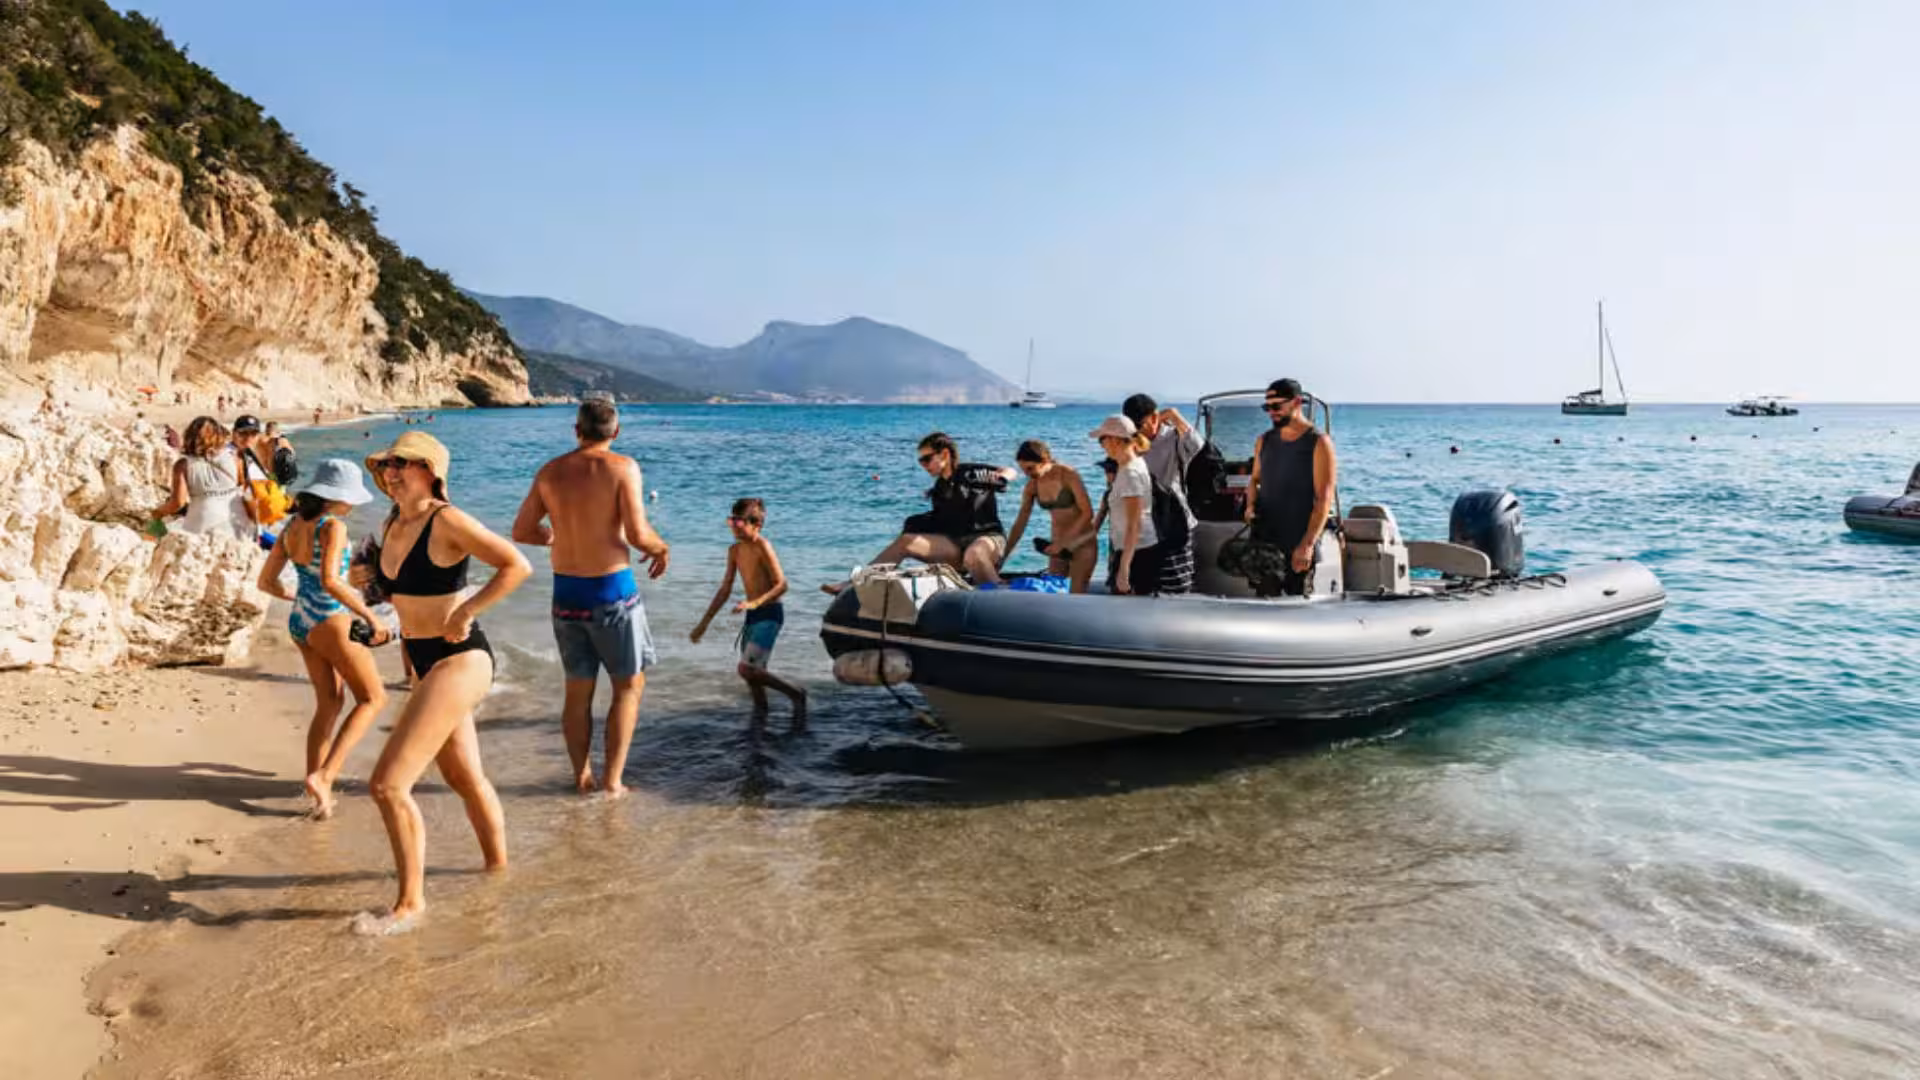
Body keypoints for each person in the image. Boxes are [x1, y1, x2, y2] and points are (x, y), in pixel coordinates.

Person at [351, 431, 530, 935]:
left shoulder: (446, 519)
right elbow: (390, 596)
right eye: (387, 462)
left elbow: (517, 565)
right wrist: (376, 622)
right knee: (464, 778)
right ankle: (499, 874)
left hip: (462, 658)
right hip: (425, 661)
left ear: (431, 471)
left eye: (403, 462)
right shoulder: (390, 524)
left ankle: (410, 905)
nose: (391, 470)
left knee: (387, 785)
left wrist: (469, 609)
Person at [510, 400, 669, 798]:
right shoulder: (623, 467)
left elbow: (523, 530)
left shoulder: (550, 472)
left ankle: (581, 778)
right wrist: (662, 548)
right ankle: (612, 782)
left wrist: (556, 535)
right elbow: (636, 533)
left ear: (575, 429)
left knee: (577, 692)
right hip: (611, 593)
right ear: (615, 433)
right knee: (628, 688)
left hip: (566, 596)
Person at [254, 459, 391, 819]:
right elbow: (331, 580)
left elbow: (265, 582)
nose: (353, 504)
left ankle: (316, 791)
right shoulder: (333, 526)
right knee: (373, 698)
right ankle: (326, 776)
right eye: (350, 497)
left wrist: (300, 599)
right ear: (336, 497)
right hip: (330, 618)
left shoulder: (292, 526)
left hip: (300, 619)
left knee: (329, 703)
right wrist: (371, 615)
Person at [821, 433, 1015, 593]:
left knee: (975, 553)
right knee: (906, 541)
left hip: (988, 540)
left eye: (927, 459)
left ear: (945, 455)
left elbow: (1009, 470)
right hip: (957, 546)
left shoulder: (969, 472)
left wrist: (1001, 479)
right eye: (920, 461)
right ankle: (856, 583)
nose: (924, 465)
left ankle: (999, 593)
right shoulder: (939, 489)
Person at [689, 498, 808, 731]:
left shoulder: (763, 546)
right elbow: (725, 590)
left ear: (756, 525)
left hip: (770, 614)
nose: (733, 525)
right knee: (752, 678)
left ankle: (796, 694)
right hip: (751, 617)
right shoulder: (734, 551)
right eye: (730, 520)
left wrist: (755, 603)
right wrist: (703, 624)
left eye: (738, 522)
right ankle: (759, 726)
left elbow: (782, 584)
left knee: (747, 669)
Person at [1245, 378, 1338, 597]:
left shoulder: (1318, 442)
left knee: (1298, 609)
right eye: (1267, 407)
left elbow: (1324, 499)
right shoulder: (1263, 440)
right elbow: (1254, 479)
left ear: (1296, 402)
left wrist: (1307, 545)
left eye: (1277, 406)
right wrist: (1249, 505)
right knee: (1264, 605)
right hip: (1265, 542)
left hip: (1298, 542)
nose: (1271, 413)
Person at [1121, 394, 1203, 593]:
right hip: (1141, 524)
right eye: (1132, 427)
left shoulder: (1173, 437)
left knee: (1176, 583)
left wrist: (1175, 416)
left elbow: (1197, 446)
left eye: (1140, 425)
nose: (1137, 431)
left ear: (1154, 417)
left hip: (1173, 522)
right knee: (1140, 582)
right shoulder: (1130, 443)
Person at [1001, 440, 1098, 593]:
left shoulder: (1068, 476)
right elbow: (1020, 524)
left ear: (1044, 460)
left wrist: (1065, 542)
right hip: (1056, 547)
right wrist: (1003, 556)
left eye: (1030, 468)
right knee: (1055, 594)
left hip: (1081, 542)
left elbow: (1087, 513)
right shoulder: (1032, 486)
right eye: (1023, 470)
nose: (1027, 474)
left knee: (1076, 596)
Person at [1085, 415, 1164, 595]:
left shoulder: (1130, 473)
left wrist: (1124, 569)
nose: (1102, 446)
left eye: (1101, 440)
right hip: (1137, 549)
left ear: (1113, 440)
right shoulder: (1133, 464)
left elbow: (1134, 524)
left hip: (1138, 553)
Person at [150, 416, 253, 540]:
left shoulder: (182, 465)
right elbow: (242, 485)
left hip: (202, 520)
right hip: (236, 518)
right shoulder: (234, 457)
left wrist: (158, 513)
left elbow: (177, 502)